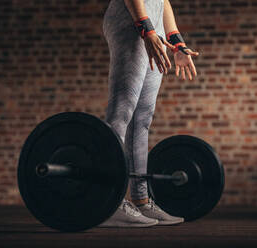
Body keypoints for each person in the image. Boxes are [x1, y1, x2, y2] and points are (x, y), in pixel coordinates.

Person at [99, 0, 199, 227]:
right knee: (121, 113)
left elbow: (162, 1)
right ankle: (107, 202)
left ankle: (141, 201)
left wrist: (176, 42)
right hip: (131, 18)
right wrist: (146, 29)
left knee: (142, 119)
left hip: (153, 24)